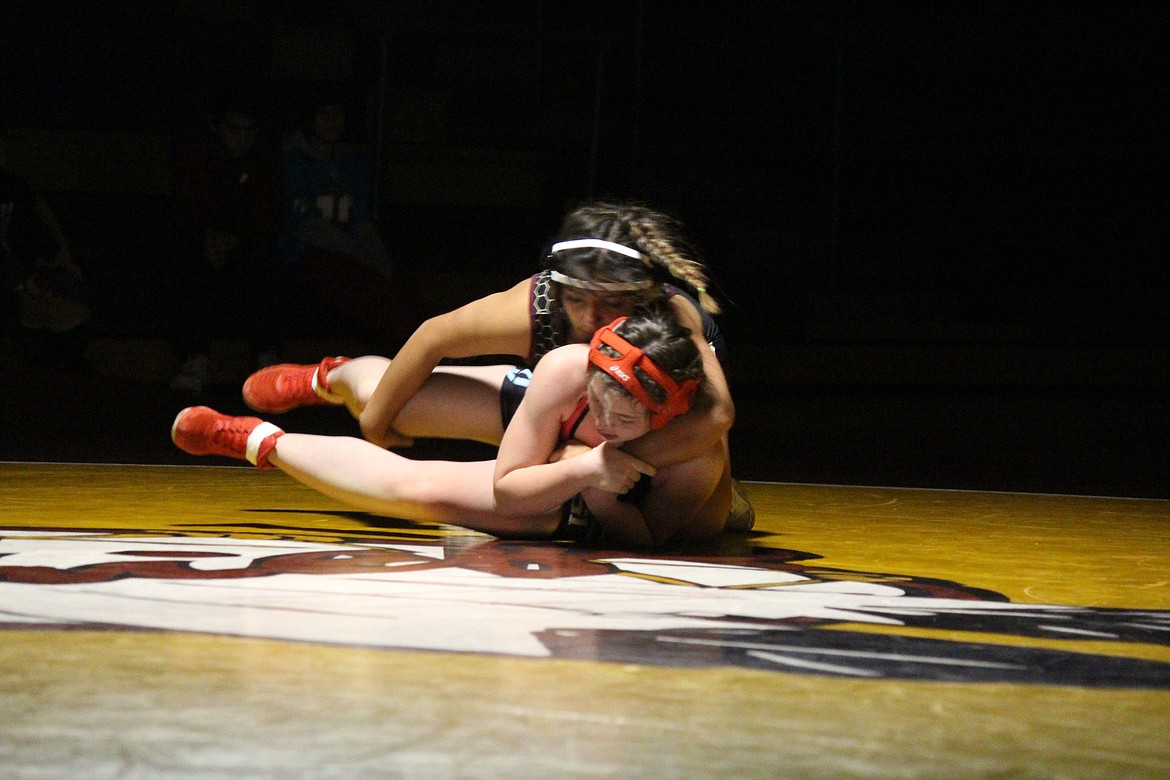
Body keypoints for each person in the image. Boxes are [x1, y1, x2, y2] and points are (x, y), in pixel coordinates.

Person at [171, 310, 733, 548]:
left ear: (666, 417)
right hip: (566, 444)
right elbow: (512, 478)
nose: (607, 420)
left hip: (596, 492)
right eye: (600, 397)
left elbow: (642, 539)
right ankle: (334, 377)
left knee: (416, 492)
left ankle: (258, 441)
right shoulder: (568, 367)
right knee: (403, 401)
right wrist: (587, 460)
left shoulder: (695, 459)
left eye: (626, 418)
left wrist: (588, 471)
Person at [278, 82, 418, 347]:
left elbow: (361, 220)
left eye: (337, 115)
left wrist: (380, 261)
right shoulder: (293, 159)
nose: (331, 122)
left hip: (349, 252)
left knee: (395, 279)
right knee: (359, 285)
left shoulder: (349, 162)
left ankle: (426, 351)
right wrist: (356, 253)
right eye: (323, 115)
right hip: (306, 254)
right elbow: (305, 225)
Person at [167, 88, 284, 392]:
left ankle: (267, 363)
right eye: (234, 129)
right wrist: (206, 236)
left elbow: (269, 216)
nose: (241, 138)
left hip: (247, 246)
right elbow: (184, 209)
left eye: (249, 131)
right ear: (215, 127)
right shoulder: (195, 159)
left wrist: (238, 241)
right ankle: (196, 359)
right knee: (185, 260)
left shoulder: (263, 162)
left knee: (268, 259)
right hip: (201, 245)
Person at [0, 128, 89, 364]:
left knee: (66, 284)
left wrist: (64, 258)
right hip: (14, 275)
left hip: (21, 268)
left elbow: (43, 218)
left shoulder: (13, 187)